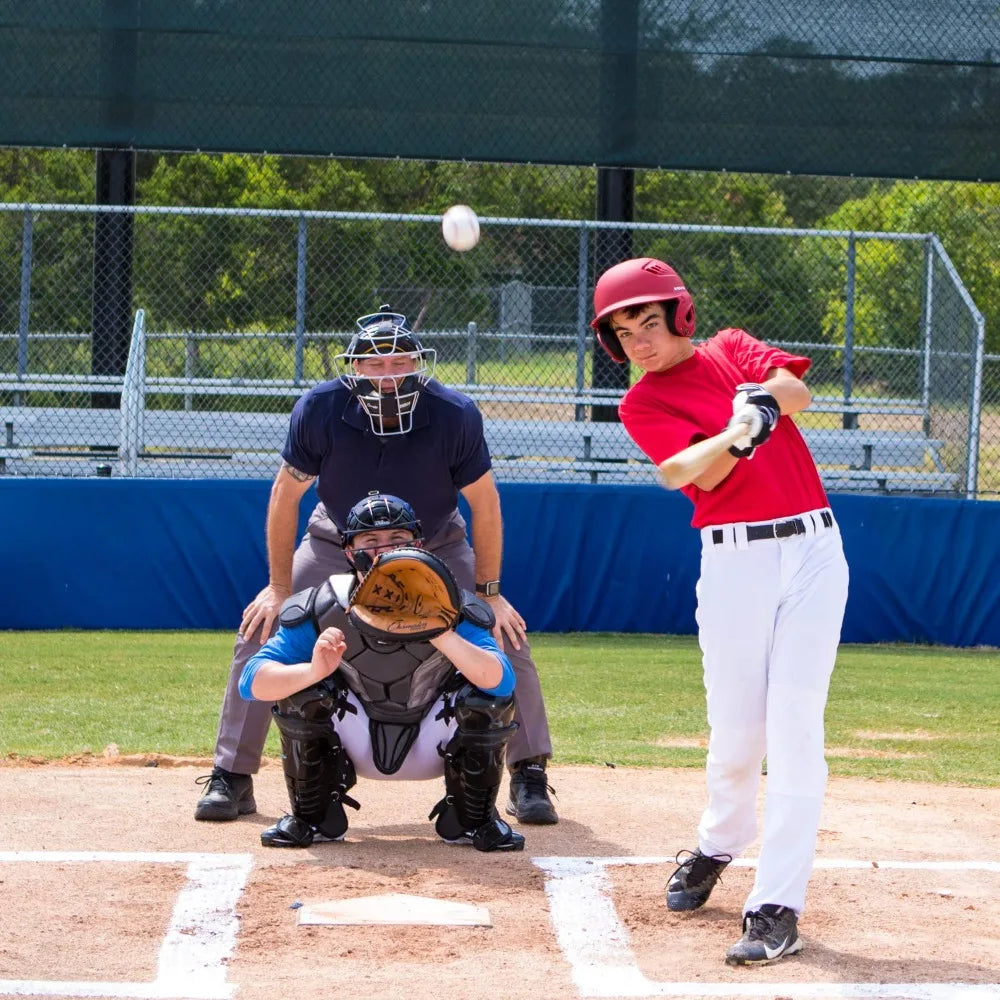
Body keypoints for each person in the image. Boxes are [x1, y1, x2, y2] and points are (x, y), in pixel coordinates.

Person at [195, 306, 557, 827]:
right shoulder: (320, 408)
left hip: (433, 540)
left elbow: (485, 503)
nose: (388, 375)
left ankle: (528, 771)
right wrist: (277, 588)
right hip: (340, 539)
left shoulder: (454, 414)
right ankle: (232, 774)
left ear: (418, 363)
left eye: (399, 362)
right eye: (374, 364)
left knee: (503, 634)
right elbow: (284, 494)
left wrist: (491, 592)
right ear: (354, 369)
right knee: (264, 625)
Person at [591, 257, 849, 966]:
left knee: (796, 730)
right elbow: (686, 472)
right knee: (738, 735)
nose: (641, 340)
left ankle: (775, 907)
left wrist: (761, 404)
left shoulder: (730, 348)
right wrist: (737, 434)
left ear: (680, 314)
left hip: (814, 552)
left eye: (650, 321)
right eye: (624, 331)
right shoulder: (640, 405)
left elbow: (794, 387)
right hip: (733, 562)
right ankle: (718, 842)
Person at [240, 491, 524, 852]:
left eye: (397, 539)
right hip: (354, 740)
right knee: (302, 690)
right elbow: (252, 682)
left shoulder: (453, 605)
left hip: (433, 741)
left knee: (486, 700)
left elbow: (501, 681)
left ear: (418, 545)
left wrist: (440, 632)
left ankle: (473, 819)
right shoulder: (323, 606)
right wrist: (313, 669)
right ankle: (312, 816)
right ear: (349, 551)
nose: (383, 550)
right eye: (370, 541)